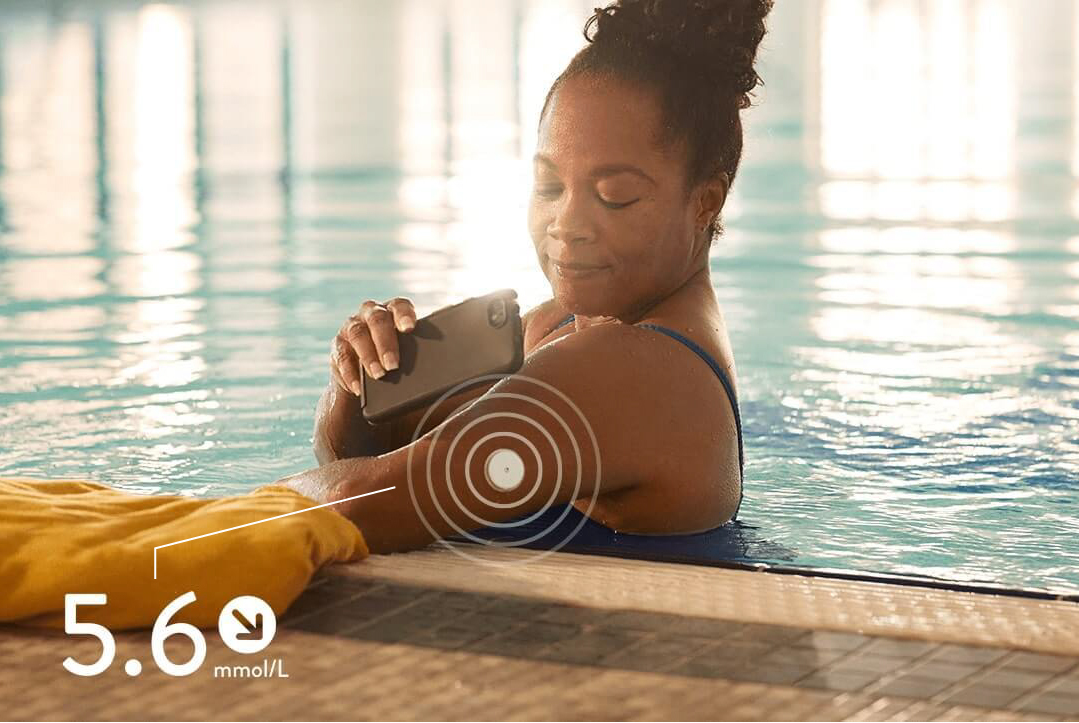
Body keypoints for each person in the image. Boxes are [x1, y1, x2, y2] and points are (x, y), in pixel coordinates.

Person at [280, 0, 773, 553]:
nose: (567, 225)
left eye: (615, 196)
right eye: (549, 187)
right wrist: (357, 371)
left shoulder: (639, 368)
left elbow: (355, 503)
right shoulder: (553, 323)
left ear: (706, 201)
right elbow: (352, 447)